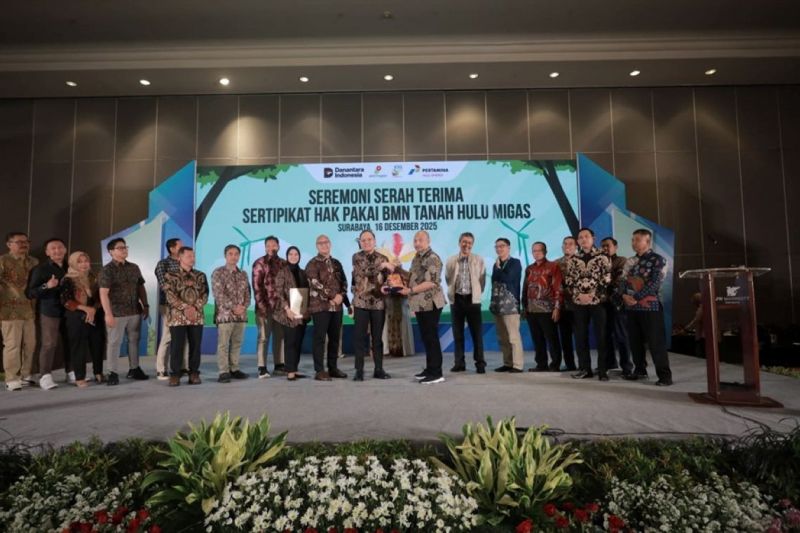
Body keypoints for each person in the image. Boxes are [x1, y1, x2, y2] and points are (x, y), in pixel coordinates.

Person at [621, 229, 673, 386]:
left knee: (656, 343)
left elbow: (655, 283)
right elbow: (622, 281)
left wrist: (635, 297)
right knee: (635, 342)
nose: (634, 243)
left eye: (637, 240)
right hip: (631, 309)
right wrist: (623, 296)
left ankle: (665, 376)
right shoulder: (630, 261)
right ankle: (640, 370)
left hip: (651, 308)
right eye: (632, 240)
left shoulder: (658, 260)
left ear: (647, 242)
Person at [98, 237, 150, 385]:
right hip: (116, 312)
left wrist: (145, 305)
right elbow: (103, 293)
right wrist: (108, 314)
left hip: (134, 310)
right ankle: (112, 372)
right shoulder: (107, 270)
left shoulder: (134, 267)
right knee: (114, 342)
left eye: (125, 247)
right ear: (111, 252)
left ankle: (134, 368)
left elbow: (140, 287)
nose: (124, 250)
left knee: (134, 340)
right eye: (120, 248)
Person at [565, 228, 611, 381]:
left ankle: (603, 370)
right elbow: (569, 280)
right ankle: (585, 369)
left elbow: (606, 278)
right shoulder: (573, 259)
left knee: (601, 336)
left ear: (593, 238)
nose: (583, 239)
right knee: (580, 337)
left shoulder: (603, 256)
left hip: (598, 302)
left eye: (586, 236)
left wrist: (592, 294)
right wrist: (579, 295)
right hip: (579, 303)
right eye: (580, 237)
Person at [402, 231, 446, 384]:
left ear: (428, 241)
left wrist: (410, 290)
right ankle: (430, 369)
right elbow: (412, 277)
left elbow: (431, 282)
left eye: (420, 240)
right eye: (415, 240)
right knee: (426, 337)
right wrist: (397, 270)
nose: (417, 243)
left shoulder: (432, 258)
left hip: (431, 303)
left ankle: (437, 373)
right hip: (420, 304)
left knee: (431, 338)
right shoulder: (417, 257)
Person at [26, 238, 71, 389]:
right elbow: (30, 293)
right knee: (49, 344)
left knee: (71, 341)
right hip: (50, 311)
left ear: (65, 249)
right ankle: (45, 376)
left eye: (60, 247)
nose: (57, 250)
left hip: (71, 311)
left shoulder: (72, 266)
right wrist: (47, 285)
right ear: (47, 252)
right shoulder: (40, 269)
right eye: (53, 248)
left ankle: (71, 372)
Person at [163, 246, 208, 386]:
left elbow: (205, 294)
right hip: (177, 317)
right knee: (177, 346)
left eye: (193, 256)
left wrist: (194, 307)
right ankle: (175, 374)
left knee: (195, 346)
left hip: (196, 316)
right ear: (180, 258)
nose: (192, 259)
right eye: (189, 256)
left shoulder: (200, 275)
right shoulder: (170, 275)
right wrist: (185, 307)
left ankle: (194, 373)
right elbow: (170, 295)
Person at [305, 234, 348, 381]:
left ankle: (333, 368)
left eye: (326, 242)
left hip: (337, 308)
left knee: (335, 338)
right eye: (321, 243)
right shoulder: (312, 264)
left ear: (330, 244)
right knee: (320, 339)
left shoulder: (336, 263)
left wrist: (341, 295)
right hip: (320, 307)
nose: (324, 245)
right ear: (317, 246)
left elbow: (344, 282)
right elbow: (315, 283)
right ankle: (319, 370)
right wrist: (333, 296)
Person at [351, 229, 392, 381]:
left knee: (377, 338)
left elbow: (387, 279)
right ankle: (359, 370)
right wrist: (381, 266)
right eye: (363, 240)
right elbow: (363, 273)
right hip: (361, 302)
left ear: (374, 241)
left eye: (369, 239)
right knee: (359, 338)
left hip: (378, 303)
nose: (366, 242)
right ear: (360, 242)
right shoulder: (356, 257)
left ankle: (379, 369)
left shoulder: (383, 258)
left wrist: (389, 284)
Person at [60, 251, 104, 387]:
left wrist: (94, 309)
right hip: (76, 316)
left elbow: (99, 297)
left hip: (95, 315)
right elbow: (66, 301)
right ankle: (79, 377)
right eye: (79, 262)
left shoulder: (92, 277)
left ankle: (98, 372)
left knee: (97, 344)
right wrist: (85, 309)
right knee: (78, 347)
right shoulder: (67, 279)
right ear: (73, 263)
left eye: (86, 261)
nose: (84, 264)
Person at [444, 232, 486, 374]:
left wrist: (477, 293)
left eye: (469, 242)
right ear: (459, 243)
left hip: (473, 301)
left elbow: (482, 280)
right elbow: (448, 279)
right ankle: (459, 363)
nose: (466, 245)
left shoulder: (478, 260)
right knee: (458, 335)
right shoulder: (451, 260)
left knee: (477, 335)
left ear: (472, 244)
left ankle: (480, 364)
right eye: (464, 242)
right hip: (457, 300)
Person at [1, 232, 38, 391]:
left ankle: (25, 375)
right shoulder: (3, 260)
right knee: (12, 345)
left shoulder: (34, 262)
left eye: (26, 241)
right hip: (10, 310)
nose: (24, 244)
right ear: (9, 244)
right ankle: (11, 378)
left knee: (30, 344)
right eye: (19, 242)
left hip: (29, 309)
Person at [211, 244, 250, 383]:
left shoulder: (243, 274)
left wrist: (243, 307)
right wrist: (233, 307)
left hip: (241, 316)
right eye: (230, 254)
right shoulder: (218, 273)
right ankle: (223, 371)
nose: (233, 256)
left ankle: (234, 368)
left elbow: (247, 294)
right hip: (225, 316)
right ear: (225, 256)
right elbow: (218, 294)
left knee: (237, 343)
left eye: (236, 254)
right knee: (223, 344)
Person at [523, 241, 563, 372]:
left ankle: (555, 364)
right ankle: (541, 364)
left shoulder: (553, 266)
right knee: (537, 339)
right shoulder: (529, 269)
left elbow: (558, 287)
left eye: (539, 250)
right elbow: (525, 289)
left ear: (545, 252)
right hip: (531, 310)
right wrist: (525, 307)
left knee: (552, 338)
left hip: (548, 310)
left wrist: (557, 307)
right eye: (534, 251)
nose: (536, 253)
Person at [273, 246, 309, 381]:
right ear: (287, 256)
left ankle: (295, 368)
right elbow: (278, 292)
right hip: (288, 313)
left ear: (299, 256)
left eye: (296, 254)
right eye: (291, 254)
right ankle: (290, 371)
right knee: (290, 342)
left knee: (298, 342)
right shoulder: (282, 272)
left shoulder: (303, 272)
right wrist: (287, 309)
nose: (293, 256)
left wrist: (307, 309)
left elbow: (307, 291)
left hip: (302, 313)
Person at [154, 238, 188, 380]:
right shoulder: (163, 264)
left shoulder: (184, 262)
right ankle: (161, 369)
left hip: (186, 305)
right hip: (169, 305)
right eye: (180, 246)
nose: (183, 247)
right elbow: (165, 286)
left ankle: (183, 367)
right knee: (168, 336)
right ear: (172, 249)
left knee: (184, 336)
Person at [252, 236, 286, 378]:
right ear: (265, 248)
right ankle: (262, 367)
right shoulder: (259, 263)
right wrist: (262, 307)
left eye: (274, 245)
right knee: (263, 337)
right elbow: (257, 287)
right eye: (268, 245)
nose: (271, 247)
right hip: (264, 308)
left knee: (280, 337)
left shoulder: (284, 263)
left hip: (281, 309)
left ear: (278, 246)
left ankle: (279, 365)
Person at [490, 238, 523, 373]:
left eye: (502, 246)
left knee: (513, 337)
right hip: (498, 305)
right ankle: (507, 363)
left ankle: (518, 365)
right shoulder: (496, 264)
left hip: (511, 306)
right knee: (503, 337)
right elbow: (494, 282)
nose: (499, 249)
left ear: (508, 247)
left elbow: (507, 279)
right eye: (497, 246)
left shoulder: (515, 263)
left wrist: (498, 269)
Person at [600, 237, 632, 376]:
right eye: (602, 246)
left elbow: (618, 281)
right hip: (602, 304)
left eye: (607, 245)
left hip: (617, 304)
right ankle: (610, 363)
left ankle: (627, 367)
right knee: (605, 335)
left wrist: (603, 281)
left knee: (621, 335)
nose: (605, 248)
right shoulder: (599, 261)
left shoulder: (621, 261)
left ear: (615, 247)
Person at [556, 236, 578, 371]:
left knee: (581, 337)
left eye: (570, 244)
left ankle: (584, 365)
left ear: (576, 246)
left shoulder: (582, 261)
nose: (567, 246)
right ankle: (570, 365)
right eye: (565, 243)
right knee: (565, 338)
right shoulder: (556, 264)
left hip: (579, 307)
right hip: (563, 307)